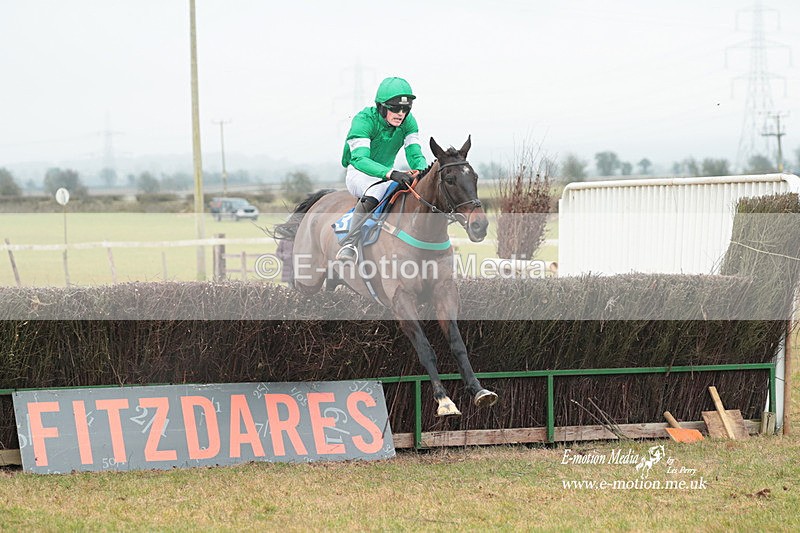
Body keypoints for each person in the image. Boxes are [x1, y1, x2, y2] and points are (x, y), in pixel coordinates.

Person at [336, 76, 428, 261]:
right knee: (378, 188)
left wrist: (423, 172)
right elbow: (360, 159)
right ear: (381, 106)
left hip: (386, 174)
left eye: (405, 108)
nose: (400, 113)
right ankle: (349, 244)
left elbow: (414, 153)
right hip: (359, 173)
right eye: (394, 108)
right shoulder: (363, 121)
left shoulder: (409, 122)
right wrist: (391, 173)